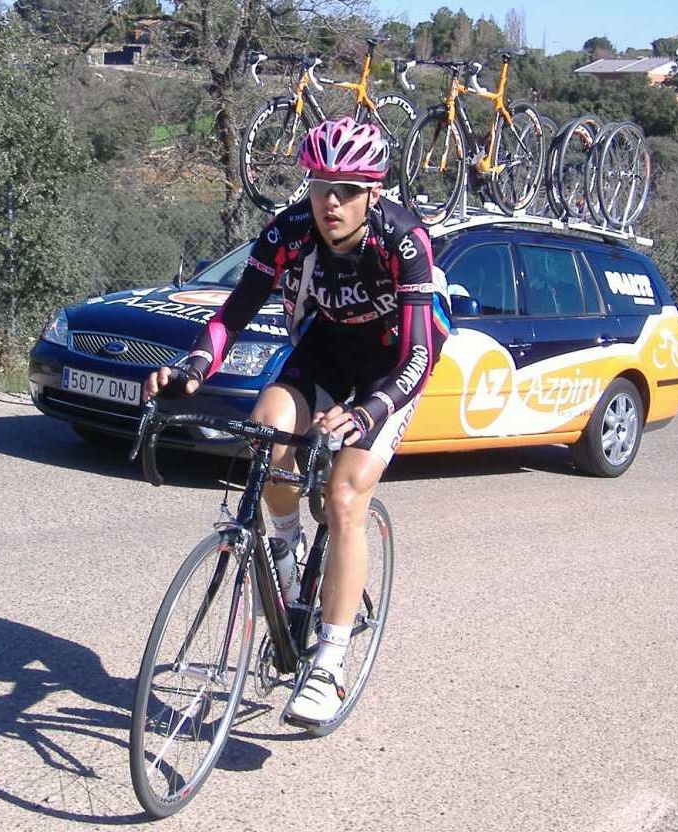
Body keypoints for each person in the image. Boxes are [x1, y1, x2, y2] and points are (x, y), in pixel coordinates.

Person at [143, 116, 451, 724]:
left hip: (394, 368)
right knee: (267, 425)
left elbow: (419, 353)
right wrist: (194, 367)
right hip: (326, 352)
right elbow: (233, 313)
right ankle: (284, 551)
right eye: (319, 186)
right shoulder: (289, 231)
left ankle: (329, 665)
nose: (330, 202)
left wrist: (368, 411)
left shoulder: (403, 241)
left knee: (344, 498)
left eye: (347, 190)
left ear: (373, 193)